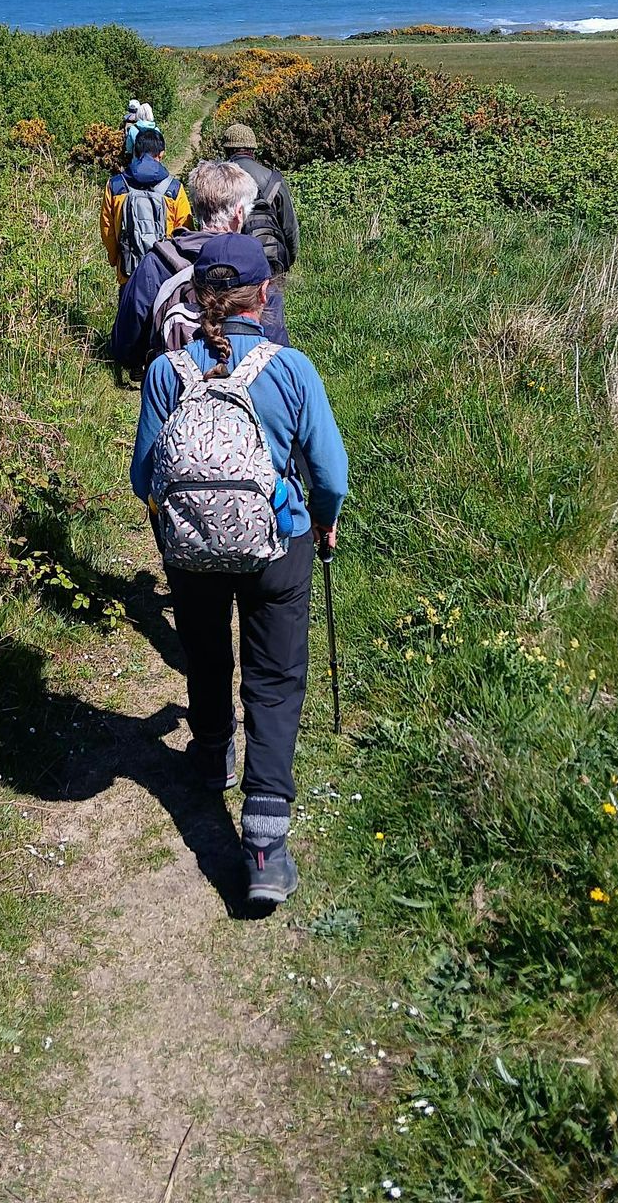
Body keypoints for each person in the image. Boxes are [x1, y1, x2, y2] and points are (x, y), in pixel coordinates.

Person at [130, 234, 348, 903]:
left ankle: (212, 754)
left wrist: (180, 517)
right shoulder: (291, 369)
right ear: (266, 294)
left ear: (194, 298)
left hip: (191, 550)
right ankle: (263, 844)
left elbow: (144, 475)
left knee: (203, 648)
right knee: (275, 678)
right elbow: (331, 473)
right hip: (279, 544)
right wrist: (323, 518)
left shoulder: (167, 373)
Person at [110, 159, 290, 371]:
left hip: (175, 387)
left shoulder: (157, 261)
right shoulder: (256, 270)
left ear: (196, 209)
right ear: (239, 213)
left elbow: (125, 343)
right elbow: (276, 344)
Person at [100, 127, 192, 286]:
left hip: (128, 273)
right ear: (161, 154)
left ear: (135, 152)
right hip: (165, 275)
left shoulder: (115, 186)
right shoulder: (174, 189)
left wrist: (116, 259)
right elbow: (185, 230)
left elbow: (107, 229)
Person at [221, 122, 300, 274]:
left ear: (227, 150)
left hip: (231, 264)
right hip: (269, 258)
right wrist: (288, 260)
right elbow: (290, 227)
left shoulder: (217, 179)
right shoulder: (274, 179)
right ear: (253, 150)